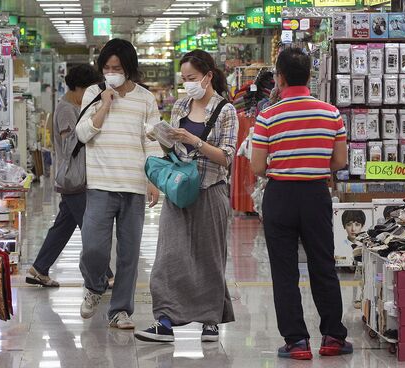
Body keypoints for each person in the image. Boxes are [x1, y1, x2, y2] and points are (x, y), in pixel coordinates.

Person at [250, 48, 352, 360]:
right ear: (309, 76)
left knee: (284, 271)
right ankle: (333, 336)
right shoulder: (331, 113)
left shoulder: (267, 116)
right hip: (315, 195)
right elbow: (340, 161)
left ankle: (296, 341)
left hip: (280, 195)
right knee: (323, 264)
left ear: (278, 79)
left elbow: (256, 167)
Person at [134, 50, 239, 343]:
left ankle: (210, 321)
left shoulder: (226, 111)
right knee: (169, 257)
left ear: (208, 76)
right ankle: (165, 321)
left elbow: (226, 158)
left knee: (209, 258)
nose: (187, 84)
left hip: (211, 191)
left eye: (192, 78)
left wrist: (195, 140)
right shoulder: (180, 105)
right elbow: (176, 153)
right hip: (179, 190)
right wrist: (162, 138)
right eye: (184, 79)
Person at [76, 38, 161, 329]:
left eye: (118, 68)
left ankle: (120, 310)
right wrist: (103, 106)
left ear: (129, 69)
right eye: (107, 68)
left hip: (134, 186)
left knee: (129, 253)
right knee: (93, 248)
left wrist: (153, 180)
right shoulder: (92, 92)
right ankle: (94, 285)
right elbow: (82, 134)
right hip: (100, 184)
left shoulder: (146, 99)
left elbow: (152, 144)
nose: (111, 72)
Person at [26, 64, 115, 287]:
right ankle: (106, 274)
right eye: (87, 90)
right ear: (76, 88)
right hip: (74, 178)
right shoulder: (67, 109)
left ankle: (39, 269)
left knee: (64, 226)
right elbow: (70, 144)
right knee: (92, 228)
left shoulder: (79, 105)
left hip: (78, 178)